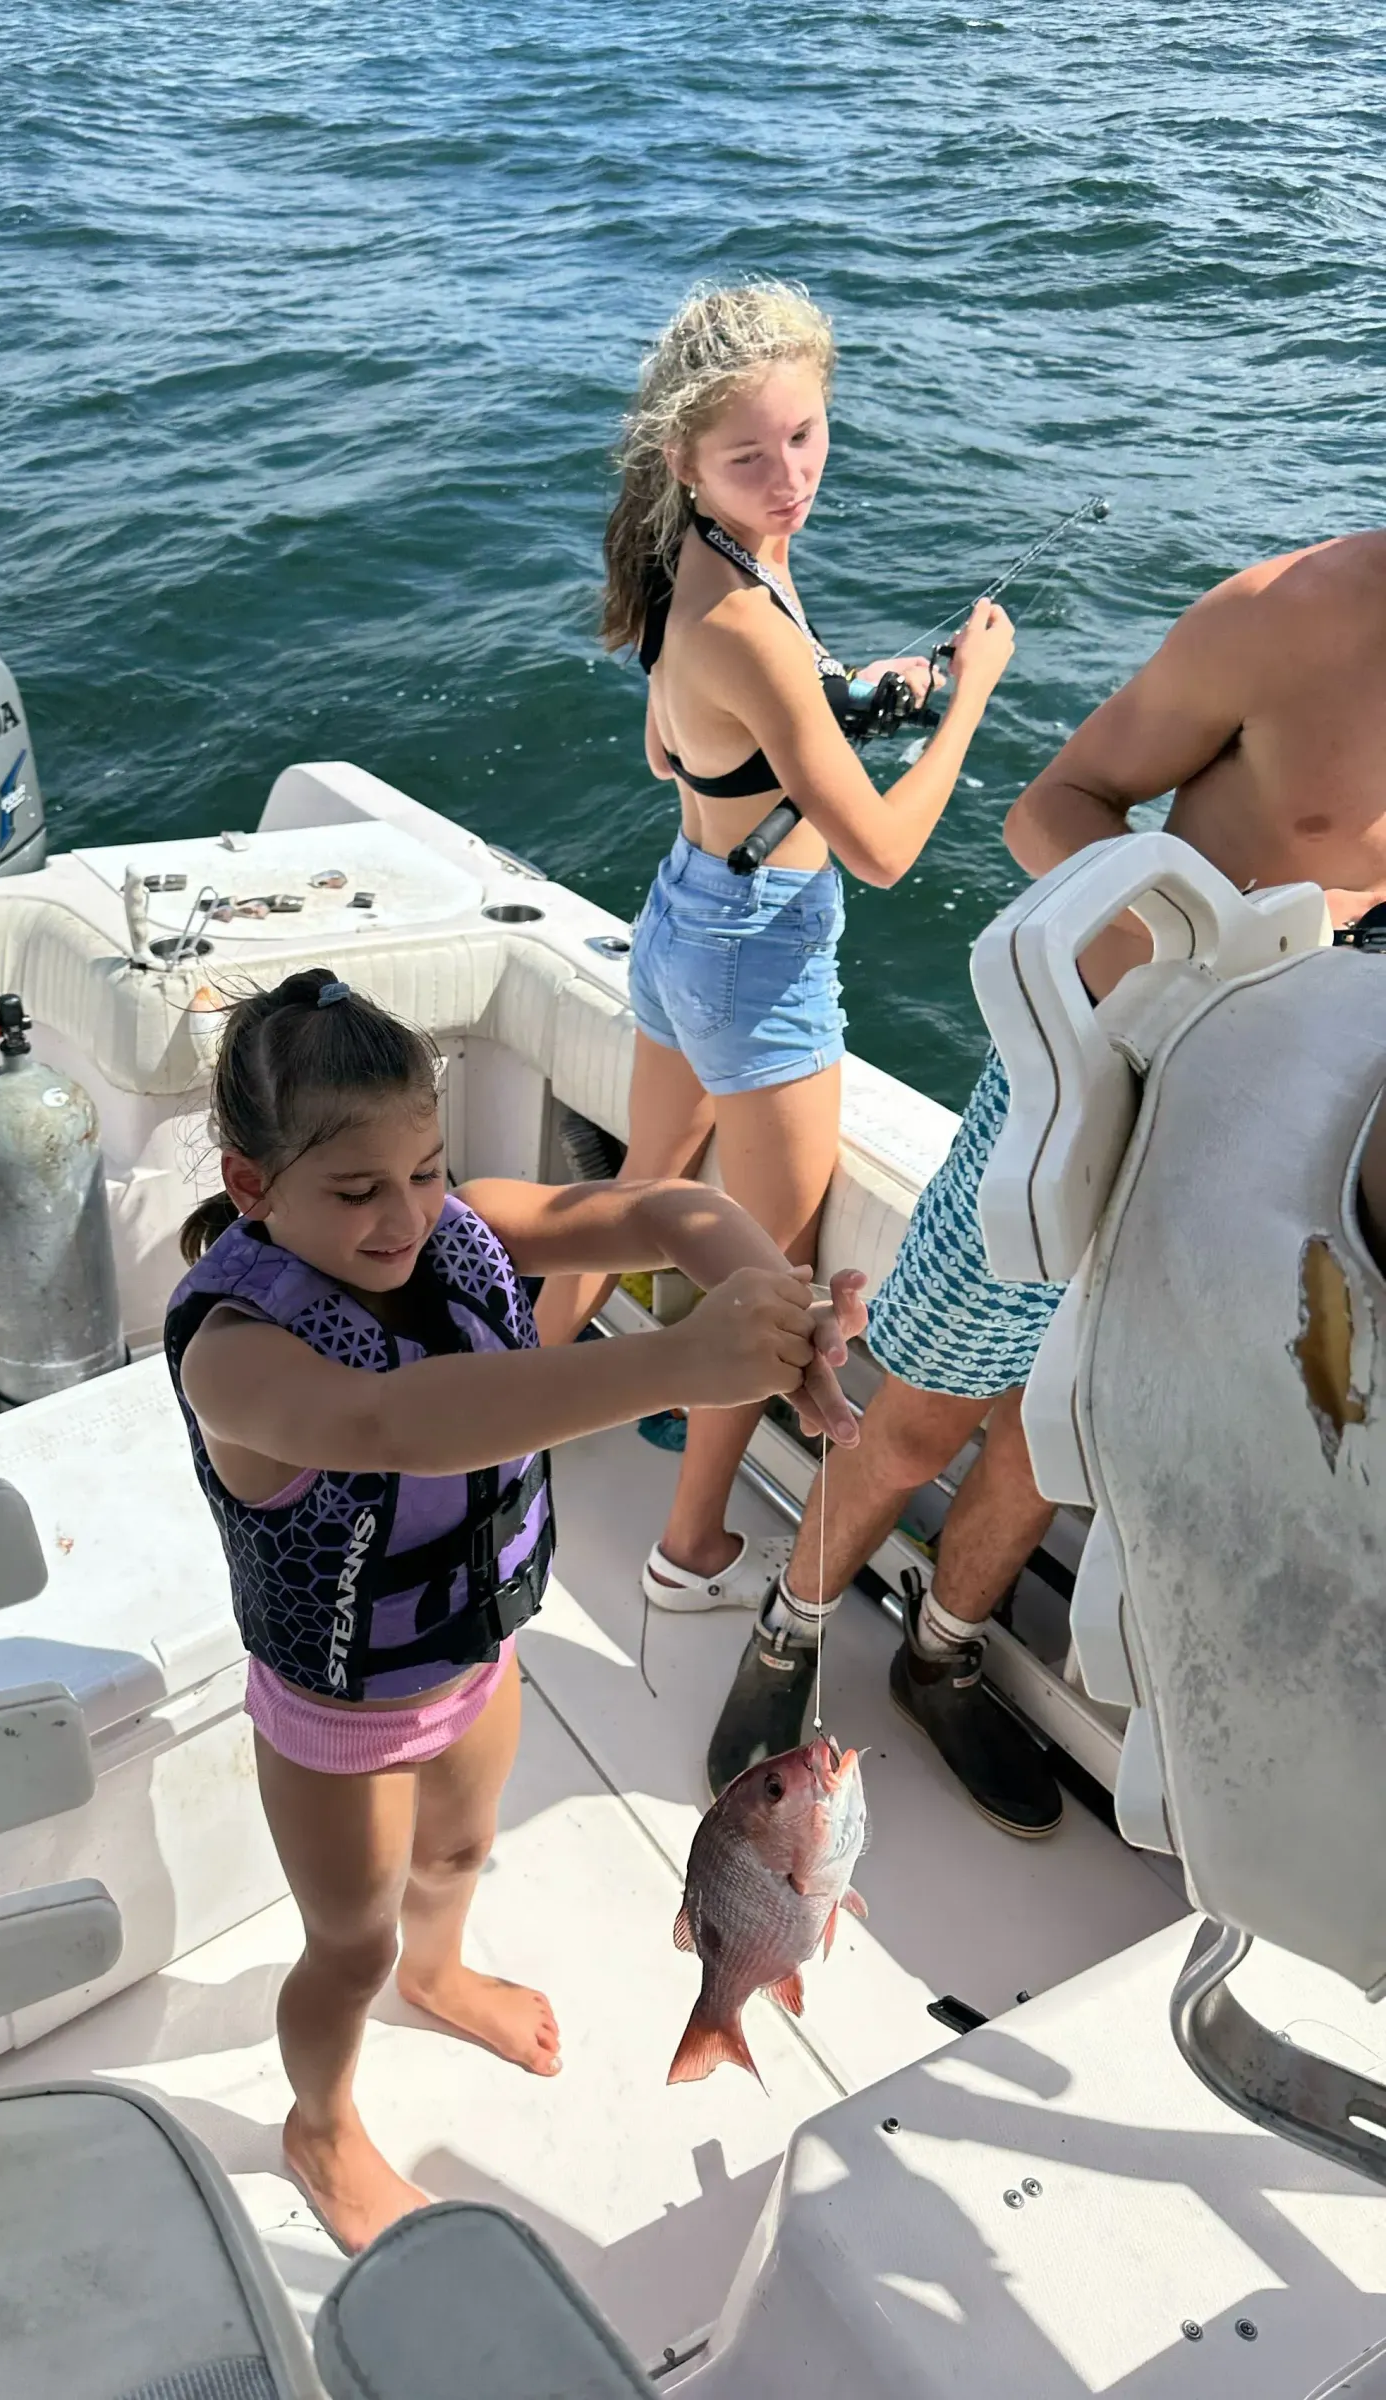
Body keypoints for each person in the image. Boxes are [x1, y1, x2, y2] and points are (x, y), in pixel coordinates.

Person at [164, 967, 865, 2254]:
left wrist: (780, 1305)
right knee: (348, 1946)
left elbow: (671, 1207)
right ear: (253, 1187)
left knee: (456, 1859)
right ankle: (320, 2124)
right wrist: (680, 1360)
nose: (407, 1217)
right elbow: (394, 1425)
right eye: (358, 1190)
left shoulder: (463, 1223)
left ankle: (444, 1969)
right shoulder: (236, 1351)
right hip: (340, 1715)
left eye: (426, 1171)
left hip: (476, 1657)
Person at [704, 531, 1386, 1830]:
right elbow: (1051, 808)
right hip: (1086, 1087)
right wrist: (1189, 982)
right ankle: (785, 1641)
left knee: (1058, 1431)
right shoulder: (1286, 618)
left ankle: (941, 1652)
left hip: (1263, 1144)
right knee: (919, 1419)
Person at [534, 281, 1015, 1627]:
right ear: (683, 455)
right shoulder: (746, 604)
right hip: (760, 958)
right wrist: (965, 698)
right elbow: (881, 851)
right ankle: (688, 1555)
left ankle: (518, 1415)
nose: (790, 475)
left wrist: (852, 697)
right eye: (753, 454)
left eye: (808, 436)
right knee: (773, 1289)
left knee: (639, 1190)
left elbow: (688, 740)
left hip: (685, 914)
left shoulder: (704, 555)